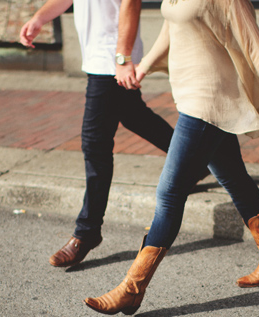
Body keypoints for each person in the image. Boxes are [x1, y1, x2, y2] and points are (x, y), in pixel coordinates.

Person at [84, 0, 259, 316]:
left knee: (169, 194)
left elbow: (255, 46)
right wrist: (144, 66)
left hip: (209, 102)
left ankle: (131, 289)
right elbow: (171, 27)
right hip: (190, 98)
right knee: (233, 178)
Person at [20, 0, 175, 268]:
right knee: (134, 116)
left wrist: (123, 58)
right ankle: (199, 160)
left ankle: (87, 231)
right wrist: (39, 19)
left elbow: (131, 3)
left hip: (112, 59)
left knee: (95, 144)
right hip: (100, 58)